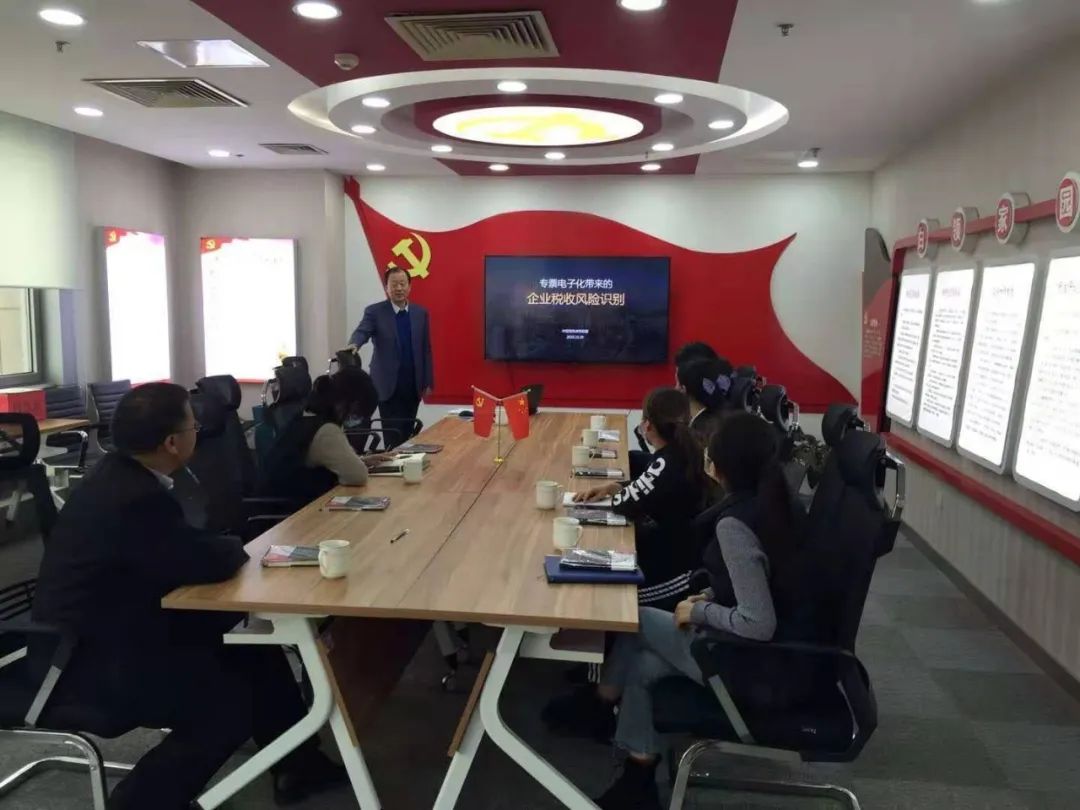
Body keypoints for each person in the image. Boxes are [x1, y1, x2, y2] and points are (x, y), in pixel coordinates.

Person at [32, 383, 343, 810]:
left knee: (255, 650)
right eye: (192, 426)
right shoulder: (136, 497)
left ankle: (298, 765)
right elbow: (201, 560)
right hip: (86, 663)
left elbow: (177, 551)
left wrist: (215, 546)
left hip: (108, 632)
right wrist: (233, 545)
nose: (198, 432)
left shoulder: (119, 476)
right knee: (227, 704)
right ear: (172, 443)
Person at [589, 412, 808, 810]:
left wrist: (701, 612)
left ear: (720, 467)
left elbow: (758, 622)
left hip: (752, 665)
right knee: (644, 665)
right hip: (787, 658)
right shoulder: (778, 502)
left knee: (633, 620)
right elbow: (759, 585)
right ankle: (638, 774)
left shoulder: (735, 526)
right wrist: (706, 597)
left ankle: (599, 706)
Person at [573, 388, 708, 610]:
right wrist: (616, 486)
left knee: (602, 599)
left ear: (647, 425)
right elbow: (648, 488)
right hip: (669, 552)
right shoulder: (680, 452)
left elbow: (623, 504)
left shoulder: (666, 462)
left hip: (673, 576)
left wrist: (619, 492)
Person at [257, 366, 392, 502]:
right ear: (348, 403)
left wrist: (361, 461)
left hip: (283, 502)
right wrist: (357, 465)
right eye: (358, 413)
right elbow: (358, 476)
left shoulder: (306, 417)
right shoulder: (327, 430)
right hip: (293, 510)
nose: (357, 419)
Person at [347, 266, 434, 446]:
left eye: (402, 284)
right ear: (387, 287)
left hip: (413, 385)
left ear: (409, 286)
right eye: (394, 284)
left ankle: (405, 462)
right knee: (392, 436)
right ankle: (393, 460)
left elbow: (426, 349)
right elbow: (363, 331)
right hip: (387, 386)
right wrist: (354, 344)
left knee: (408, 435)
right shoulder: (375, 312)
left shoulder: (420, 313)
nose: (399, 288)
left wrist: (428, 381)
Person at [676, 355, 734, 447]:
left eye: (677, 383)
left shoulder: (695, 435)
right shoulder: (728, 416)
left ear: (683, 389)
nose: (675, 388)